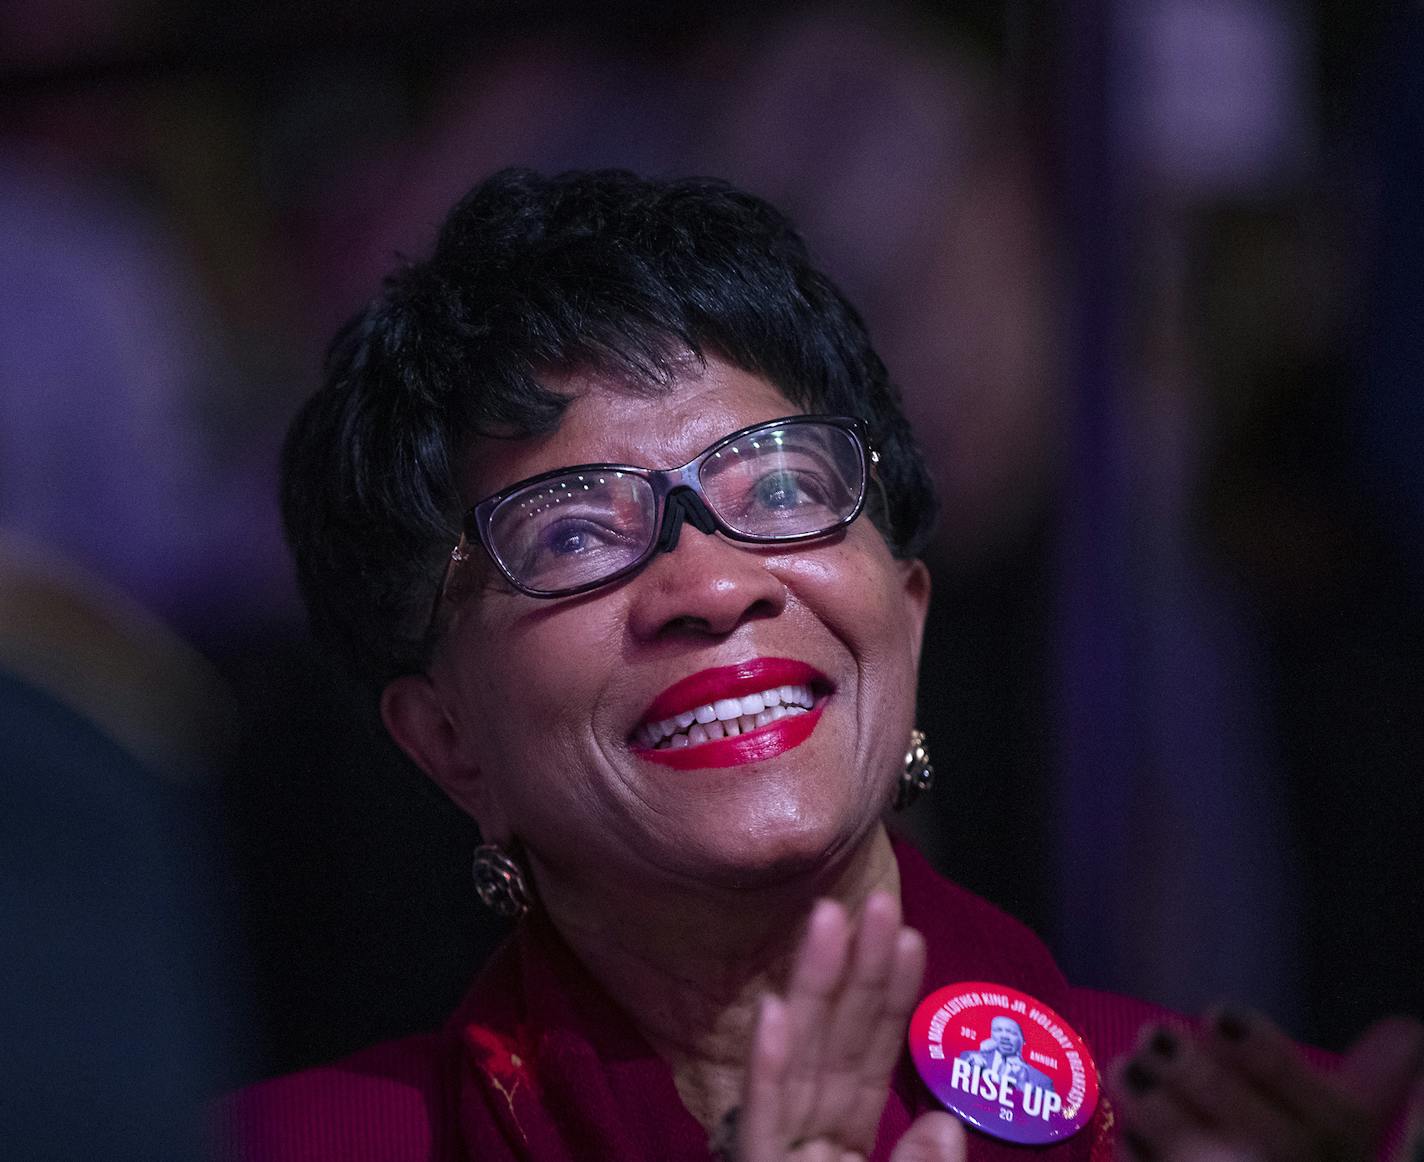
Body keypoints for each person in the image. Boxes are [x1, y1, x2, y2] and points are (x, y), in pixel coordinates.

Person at [215, 169, 1423, 1161]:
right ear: (444, 740)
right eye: (573, 531)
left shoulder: (1246, 1132)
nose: (714, 583)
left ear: (904, 608)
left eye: (781, 486)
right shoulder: (297, 1143)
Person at [959, 1016, 1055, 1094]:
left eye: (1012, 1032)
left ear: (1023, 1041)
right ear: (991, 1033)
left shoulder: (1042, 1081)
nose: (1004, 1036)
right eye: (998, 1030)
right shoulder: (968, 1057)